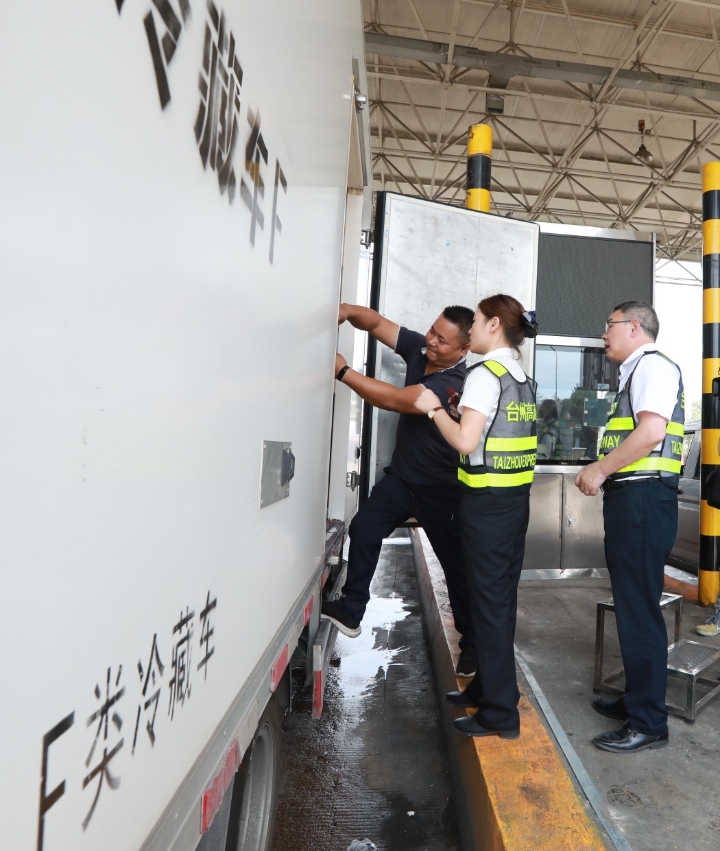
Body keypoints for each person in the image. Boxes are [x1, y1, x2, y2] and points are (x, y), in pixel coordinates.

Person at [321, 303, 478, 676]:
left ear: (463, 349)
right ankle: (352, 610)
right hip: (404, 480)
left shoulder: (452, 383)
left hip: (441, 490)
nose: (432, 341)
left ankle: (473, 643)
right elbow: (376, 323)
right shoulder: (422, 349)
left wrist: (343, 371)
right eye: (432, 331)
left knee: (456, 569)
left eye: (443, 340)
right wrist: (344, 311)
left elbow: (393, 399)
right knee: (364, 528)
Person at [415, 294, 539, 739]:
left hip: (486, 505)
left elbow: (466, 442)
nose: (470, 329)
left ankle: (499, 713)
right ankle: (488, 689)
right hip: (513, 503)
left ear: (493, 325)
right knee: (498, 602)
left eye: (477, 321)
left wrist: (433, 410)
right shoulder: (522, 378)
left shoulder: (485, 374)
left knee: (487, 605)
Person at [576, 301, 684, 754]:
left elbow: (651, 432)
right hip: (636, 499)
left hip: (642, 499)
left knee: (639, 609)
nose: (605, 334)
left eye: (610, 325)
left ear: (634, 327)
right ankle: (638, 698)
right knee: (633, 603)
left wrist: (600, 469)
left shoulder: (652, 366)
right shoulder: (637, 371)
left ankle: (648, 722)